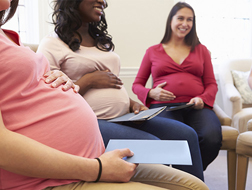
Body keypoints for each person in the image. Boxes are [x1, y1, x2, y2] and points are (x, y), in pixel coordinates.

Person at [0, 0, 209, 190]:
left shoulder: (3, 34)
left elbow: (21, 89)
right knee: (158, 146)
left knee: (195, 181)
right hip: (50, 176)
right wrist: (99, 168)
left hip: (96, 148)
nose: (103, 3)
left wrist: (56, 81)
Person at [37, 0, 204, 180]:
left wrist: (132, 104)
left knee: (186, 135)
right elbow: (47, 98)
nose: (103, 1)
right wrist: (88, 81)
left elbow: (112, 84)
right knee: (154, 147)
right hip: (90, 121)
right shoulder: (52, 43)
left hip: (123, 116)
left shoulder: (100, 42)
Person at [132, 2, 222, 171]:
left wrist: (202, 99)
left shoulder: (201, 50)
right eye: (180, 18)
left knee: (212, 137)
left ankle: (187, 176)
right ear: (170, 21)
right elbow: (137, 85)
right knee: (176, 137)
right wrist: (151, 92)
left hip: (195, 107)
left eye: (190, 20)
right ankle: (183, 180)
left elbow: (211, 84)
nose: (185, 23)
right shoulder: (153, 51)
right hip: (163, 108)